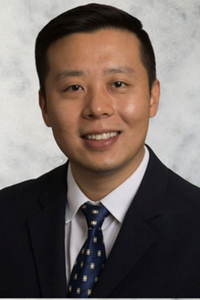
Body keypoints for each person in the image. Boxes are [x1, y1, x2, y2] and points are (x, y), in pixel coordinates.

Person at [0, 3, 200, 298]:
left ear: (152, 97)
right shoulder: (6, 216)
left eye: (118, 83)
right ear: (44, 107)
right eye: (73, 87)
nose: (97, 108)